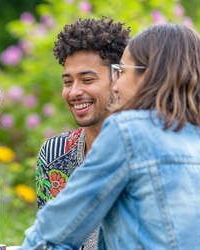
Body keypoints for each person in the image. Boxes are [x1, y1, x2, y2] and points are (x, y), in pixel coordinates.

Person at [21, 23, 200, 249]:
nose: (116, 86)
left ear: (148, 76)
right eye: (67, 81)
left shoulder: (128, 132)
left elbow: (51, 234)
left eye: (122, 72)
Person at [34, 17, 130, 249]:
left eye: (87, 79)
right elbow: (49, 238)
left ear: (117, 78)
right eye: (68, 82)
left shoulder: (144, 149)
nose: (75, 92)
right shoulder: (54, 155)